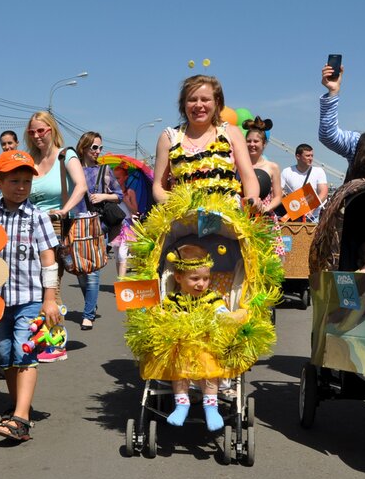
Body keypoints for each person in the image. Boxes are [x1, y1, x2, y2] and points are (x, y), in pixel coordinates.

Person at [0, 150, 61, 441]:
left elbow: (49, 261)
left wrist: (50, 299)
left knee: (24, 351)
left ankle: (21, 418)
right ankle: (18, 405)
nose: (21, 187)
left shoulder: (38, 218)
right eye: (14, 181)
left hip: (30, 299)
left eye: (26, 181)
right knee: (5, 355)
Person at [26, 111, 88, 361]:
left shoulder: (66, 155)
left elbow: (81, 186)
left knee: (51, 283)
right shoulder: (30, 159)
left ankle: (55, 341)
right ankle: (37, 335)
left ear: (52, 129)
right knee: (34, 285)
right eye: (32, 132)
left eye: (42, 130)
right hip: (30, 228)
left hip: (55, 227)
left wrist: (64, 210)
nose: (37, 136)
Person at [153, 245, 232, 431]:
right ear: (179, 278)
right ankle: (182, 404)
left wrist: (222, 315)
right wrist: (172, 317)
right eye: (195, 279)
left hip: (206, 345)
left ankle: (211, 407)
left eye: (206, 278)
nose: (201, 284)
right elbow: (164, 315)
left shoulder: (212, 297)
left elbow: (222, 311)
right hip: (181, 344)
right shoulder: (173, 299)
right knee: (179, 368)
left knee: (209, 368)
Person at [152, 75, 258, 204]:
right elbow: (158, 186)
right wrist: (174, 204)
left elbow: (249, 177)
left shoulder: (232, 132)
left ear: (217, 102)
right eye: (192, 100)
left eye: (205, 99)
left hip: (226, 213)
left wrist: (252, 198)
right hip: (181, 214)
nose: (198, 105)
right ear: (183, 104)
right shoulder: (169, 137)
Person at [74, 131, 123, 330]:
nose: (98, 151)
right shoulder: (72, 170)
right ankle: (91, 304)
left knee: (93, 271)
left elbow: (119, 195)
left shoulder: (104, 170)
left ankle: (87, 315)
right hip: (76, 225)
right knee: (79, 271)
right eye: (94, 147)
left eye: (100, 147)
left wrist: (103, 196)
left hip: (98, 226)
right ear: (84, 147)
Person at [280, 143, 329, 222]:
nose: (311, 158)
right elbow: (278, 192)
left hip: (313, 217)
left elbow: (324, 193)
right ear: (298, 156)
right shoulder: (286, 171)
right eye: (307, 156)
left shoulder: (319, 171)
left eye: (312, 156)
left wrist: (312, 209)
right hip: (293, 216)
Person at [243, 116, 282, 215]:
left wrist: (266, 208)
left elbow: (278, 196)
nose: (252, 144)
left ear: (264, 143)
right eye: (248, 141)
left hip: (264, 217)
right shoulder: (238, 165)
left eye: (256, 141)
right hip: (240, 215)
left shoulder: (272, 167)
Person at [111, 164, 139, 278]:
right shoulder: (111, 192)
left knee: (122, 255)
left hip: (126, 225)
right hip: (115, 225)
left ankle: (121, 281)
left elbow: (135, 210)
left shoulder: (130, 192)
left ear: (125, 178)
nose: (116, 180)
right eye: (114, 178)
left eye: (118, 178)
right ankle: (120, 280)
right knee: (117, 256)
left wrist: (126, 201)